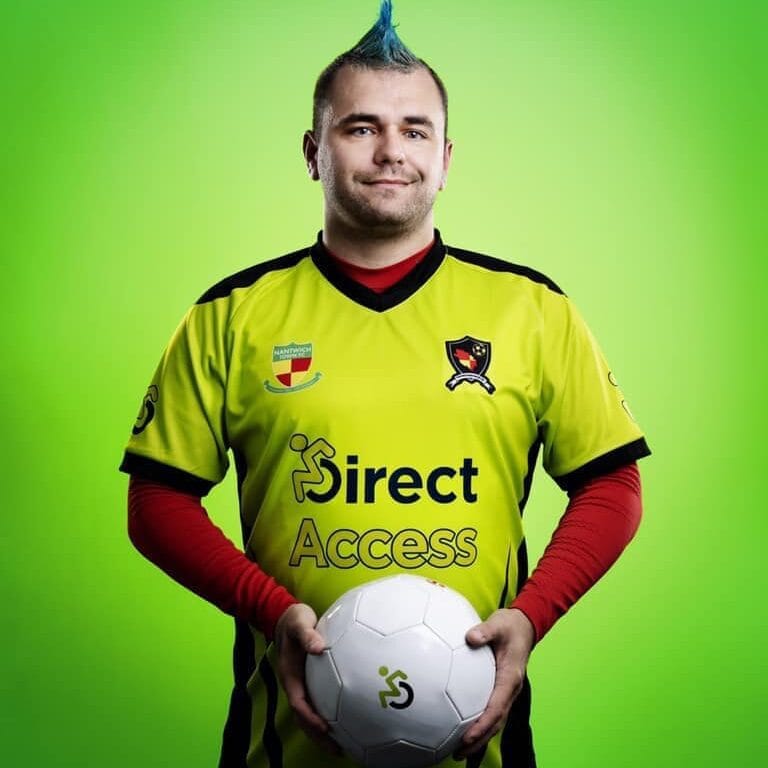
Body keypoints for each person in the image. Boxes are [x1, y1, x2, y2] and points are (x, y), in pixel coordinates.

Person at [120, 2, 650, 766]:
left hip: (482, 749)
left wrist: (532, 616)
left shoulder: (533, 310)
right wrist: (271, 612)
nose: (389, 151)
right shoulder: (230, 316)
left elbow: (612, 485)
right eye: (360, 127)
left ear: (446, 157)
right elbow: (156, 503)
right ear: (313, 151)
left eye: (415, 130)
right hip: (285, 746)